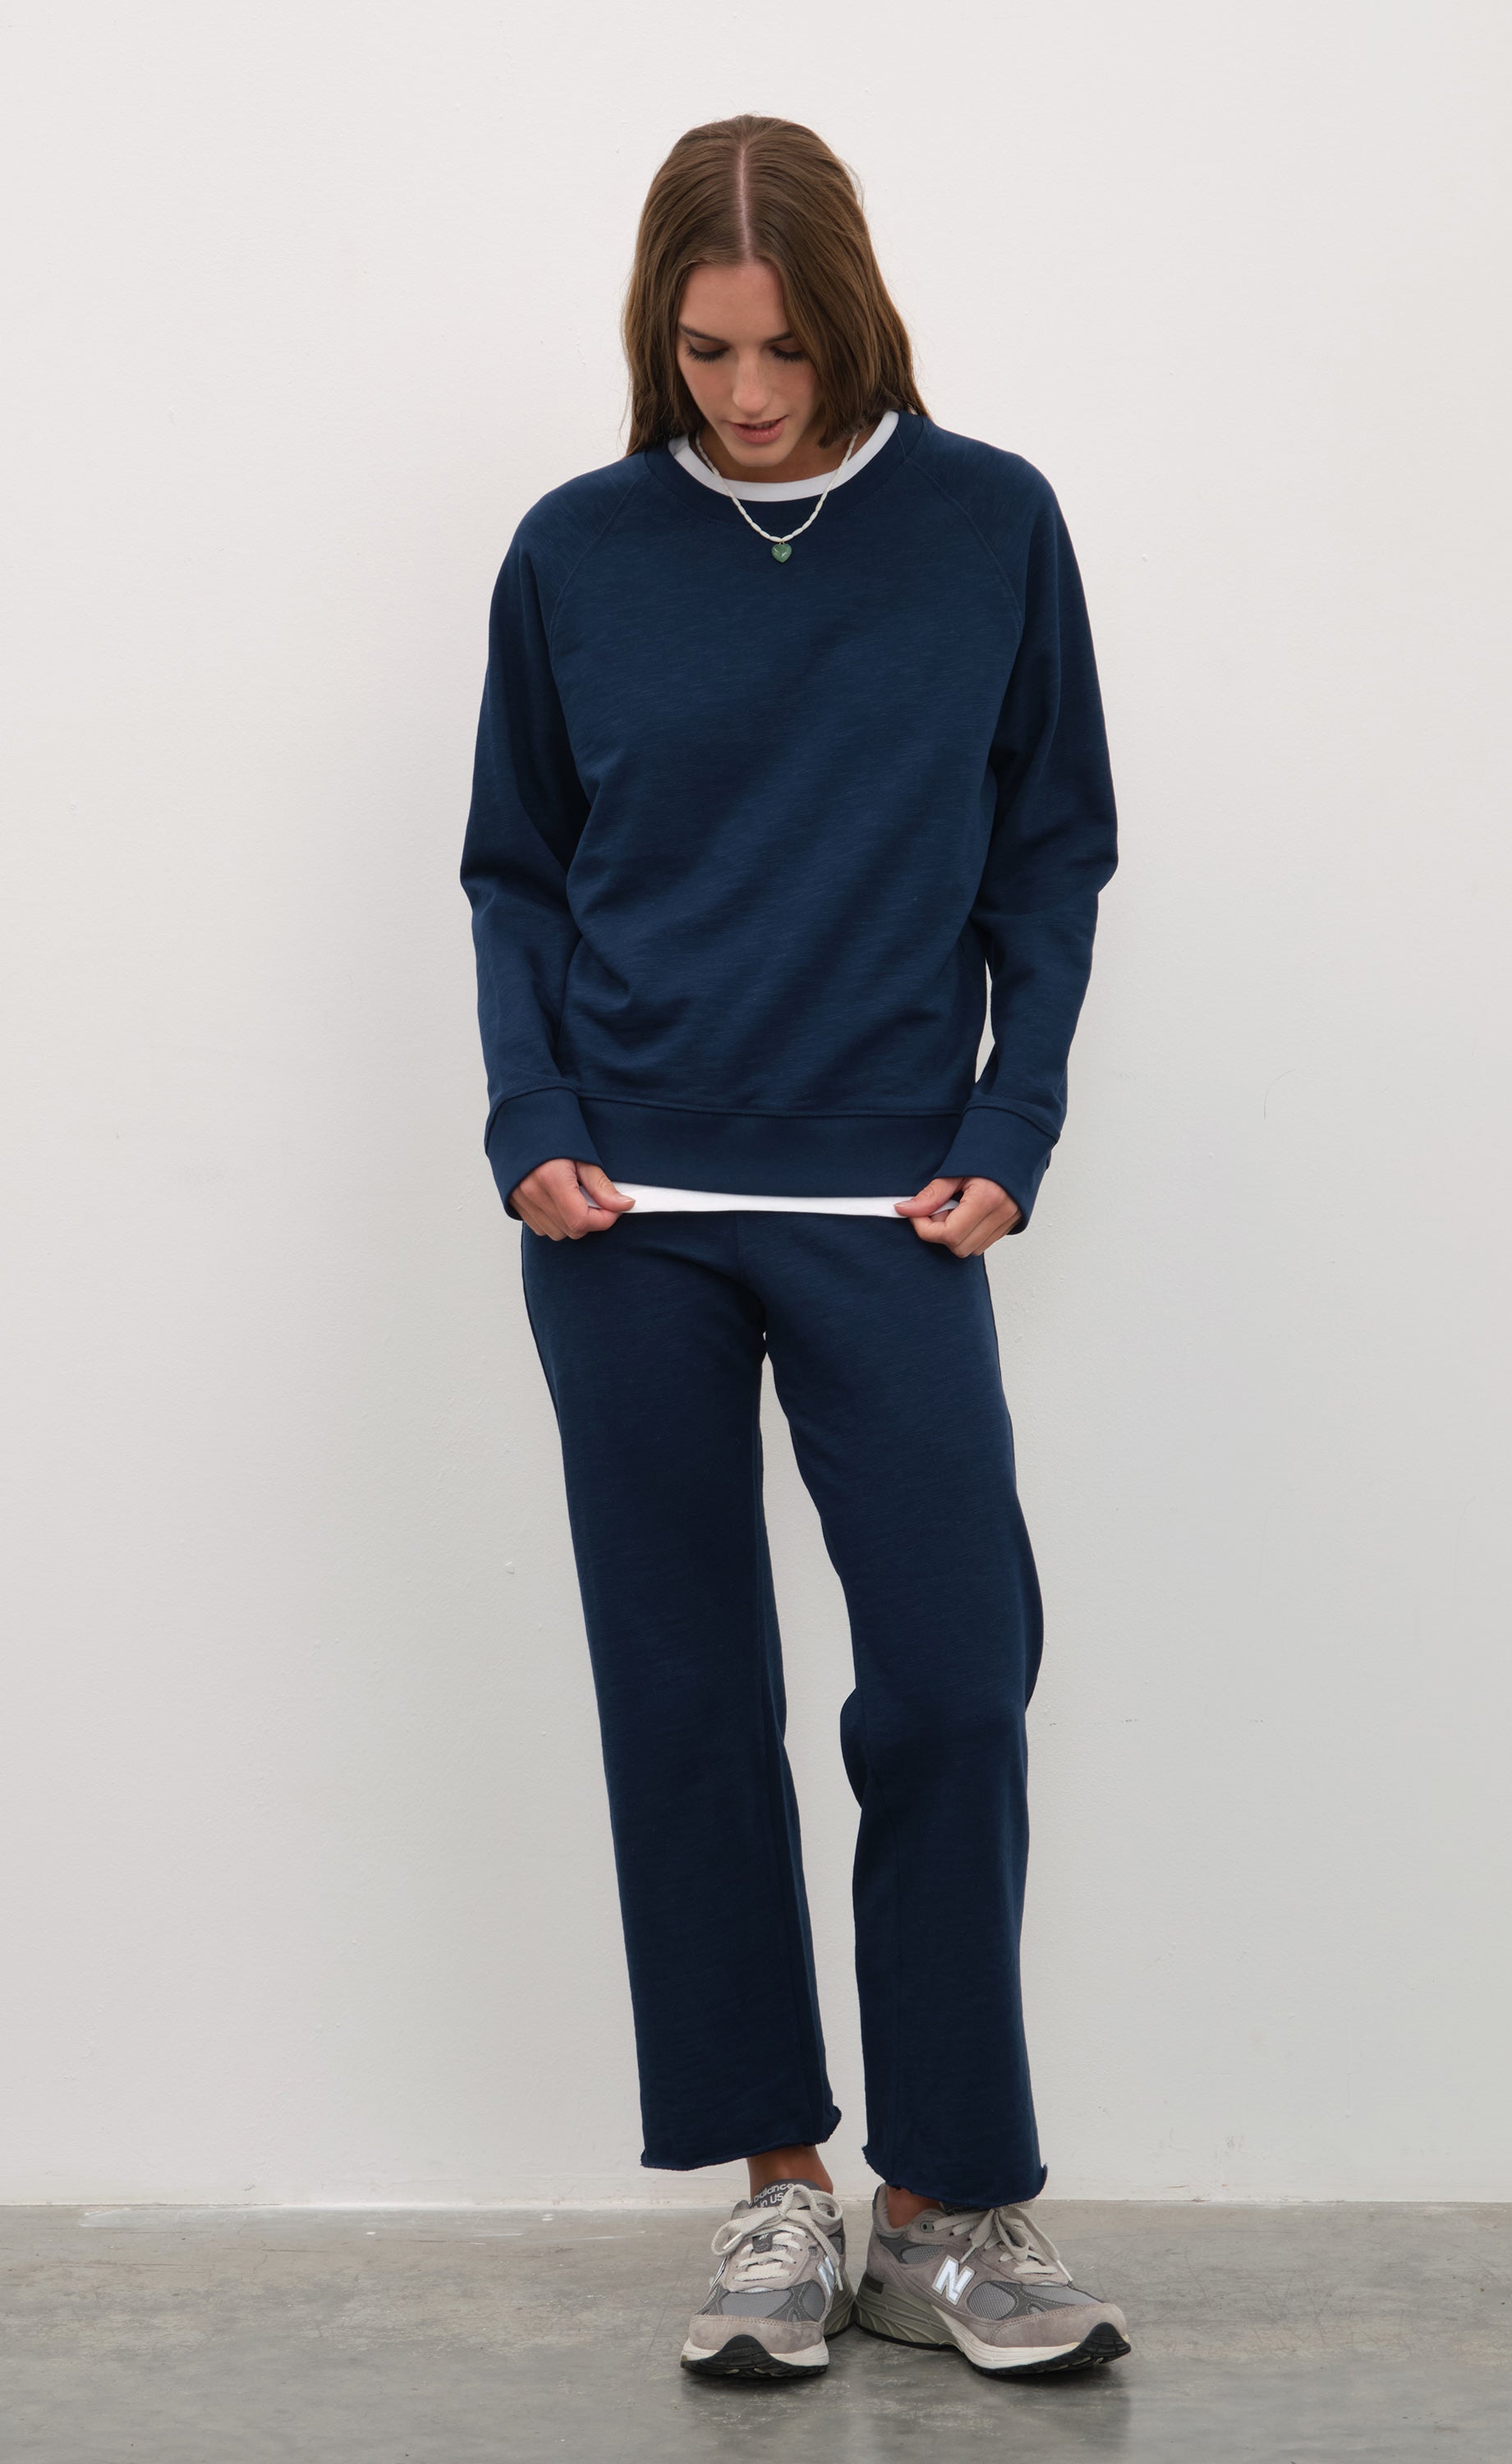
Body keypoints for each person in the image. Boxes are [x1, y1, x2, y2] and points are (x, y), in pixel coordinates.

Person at [461, 113, 1128, 2384]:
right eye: (706, 351)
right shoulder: (575, 551)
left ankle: (949, 2205)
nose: (748, 395)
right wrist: (532, 1116)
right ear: (661, 335)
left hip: (892, 1204)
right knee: (686, 1699)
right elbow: (517, 871)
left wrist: (1013, 1120)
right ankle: (778, 2188)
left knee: (951, 1678)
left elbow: (1053, 856)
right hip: (623, 1214)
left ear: (856, 318)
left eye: (786, 348)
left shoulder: (989, 523)